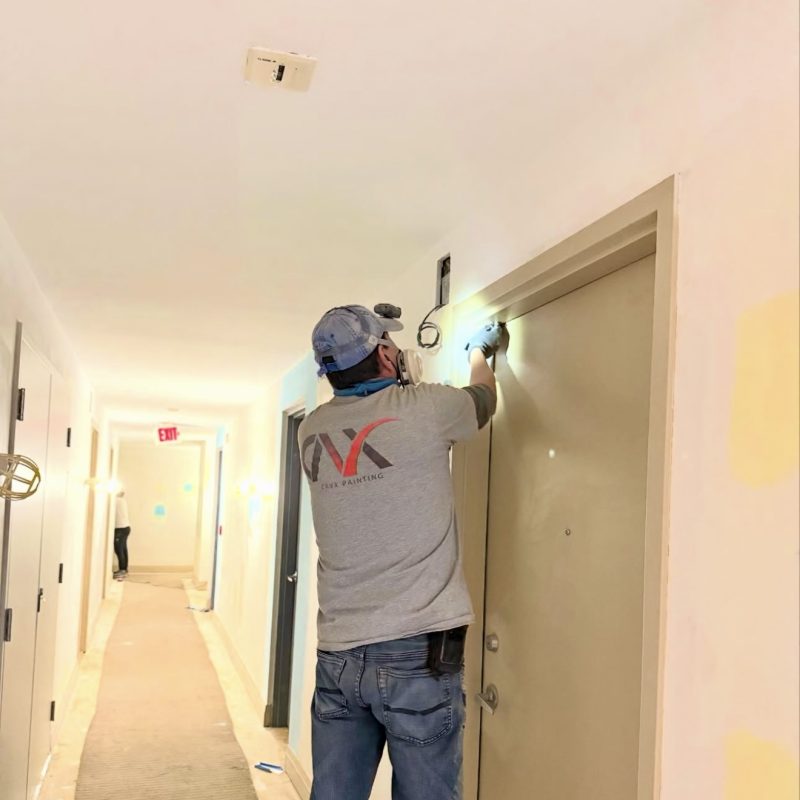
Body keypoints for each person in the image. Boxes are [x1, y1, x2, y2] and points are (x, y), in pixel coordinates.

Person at [299, 305, 506, 800]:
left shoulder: (310, 430)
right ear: (385, 354)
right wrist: (478, 351)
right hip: (417, 651)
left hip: (339, 652)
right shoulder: (427, 408)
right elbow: (483, 399)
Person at [113, 490, 131, 580]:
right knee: (123, 549)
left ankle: (122, 571)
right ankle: (124, 569)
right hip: (126, 527)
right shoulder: (122, 500)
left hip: (120, 528)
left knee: (119, 549)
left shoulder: (115, 500)